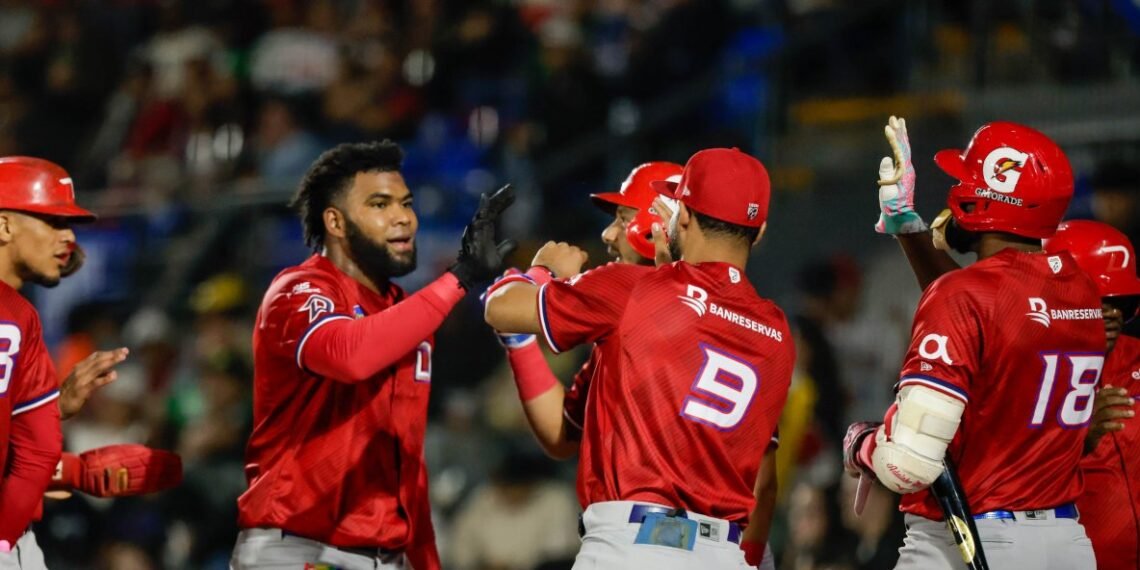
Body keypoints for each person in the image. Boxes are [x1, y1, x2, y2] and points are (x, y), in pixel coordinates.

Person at [485, 148, 794, 569]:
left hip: (633, 545)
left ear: (678, 217)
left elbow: (499, 306)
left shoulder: (633, 294)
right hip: (725, 551)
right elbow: (563, 433)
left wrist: (541, 272)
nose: (609, 235)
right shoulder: (775, 331)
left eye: (623, 219)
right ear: (758, 233)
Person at [229, 140, 515, 570]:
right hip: (299, 549)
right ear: (336, 222)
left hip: (386, 556)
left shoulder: (408, 315)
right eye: (380, 204)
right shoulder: (299, 290)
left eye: (406, 203)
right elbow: (350, 356)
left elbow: (407, 462)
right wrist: (461, 277)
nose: (403, 217)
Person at [843, 119, 1104, 569]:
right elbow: (991, 310)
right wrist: (909, 228)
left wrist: (862, 444)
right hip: (1067, 543)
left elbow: (908, 465)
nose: (955, 192)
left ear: (990, 196)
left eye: (966, 180)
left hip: (970, 540)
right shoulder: (1079, 290)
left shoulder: (966, 296)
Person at [0, 157, 95, 567]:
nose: (69, 236)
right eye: (52, 221)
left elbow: (36, 451)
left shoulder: (24, 318)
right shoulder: (19, 318)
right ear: (4, 226)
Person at [1045, 220, 1140, 570]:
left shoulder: (1137, 356)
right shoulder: (1027, 373)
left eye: (1125, 303)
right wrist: (1079, 436)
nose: (1114, 314)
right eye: (1099, 301)